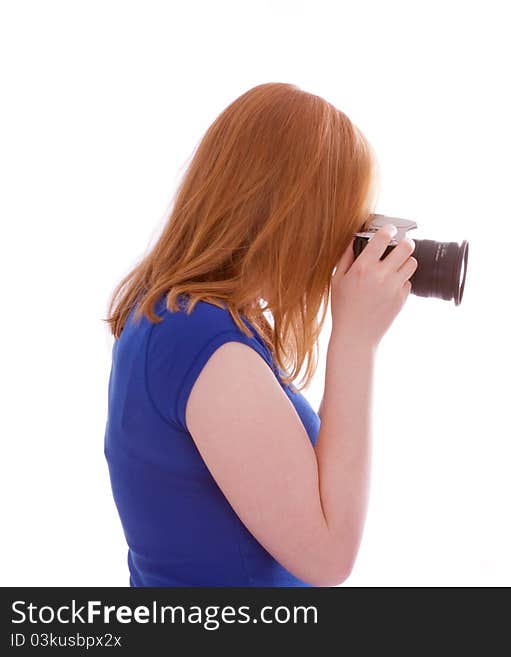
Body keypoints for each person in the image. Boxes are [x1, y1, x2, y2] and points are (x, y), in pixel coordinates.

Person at [103, 83, 417, 586]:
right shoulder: (205, 344)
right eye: (341, 217)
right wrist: (356, 342)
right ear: (295, 214)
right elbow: (328, 558)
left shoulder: (181, 318)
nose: (344, 242)